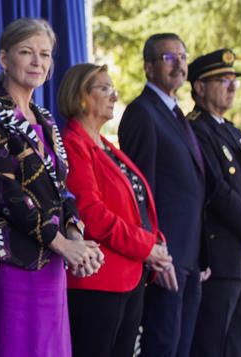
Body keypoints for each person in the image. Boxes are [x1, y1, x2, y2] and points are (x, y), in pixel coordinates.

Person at [0, 18, 103, 357]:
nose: (37, 61)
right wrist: (62, 244)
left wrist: (75, 237)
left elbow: (63, 188)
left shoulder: (45, 118)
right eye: (26, 52)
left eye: (45, 54)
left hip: (53, 261)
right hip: (15, 260)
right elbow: (5, 193)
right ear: (4, 59)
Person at [57, 63, 173, 357]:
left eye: (114, 89)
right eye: (105, 88)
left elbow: (135, 204)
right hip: (99, 281)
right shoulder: (73, 143)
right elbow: (91, 214)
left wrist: (156, 241)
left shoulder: (107, 146)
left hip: (129, 277)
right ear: (81, 95)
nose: (114, 96)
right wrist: (146, 246)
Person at [117, 33, 205, 357]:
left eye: (182, 57)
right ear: (148, 67)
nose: (179, 64)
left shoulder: (176, 113)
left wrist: (201, 256)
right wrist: (157, 252)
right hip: (166, 258)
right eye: (169, 58)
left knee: (182, 348)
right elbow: (141, 192)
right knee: (162, 346)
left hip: (190, 257)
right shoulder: (142, 113)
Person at [187, 49, 241, 357]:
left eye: (233, 81)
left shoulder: (231, 131)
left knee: (240, 343)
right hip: (220, 254)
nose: (231, 87)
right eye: (222, 80)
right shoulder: (196, 129)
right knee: (213, 343)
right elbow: (219, 192)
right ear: (199, 87)